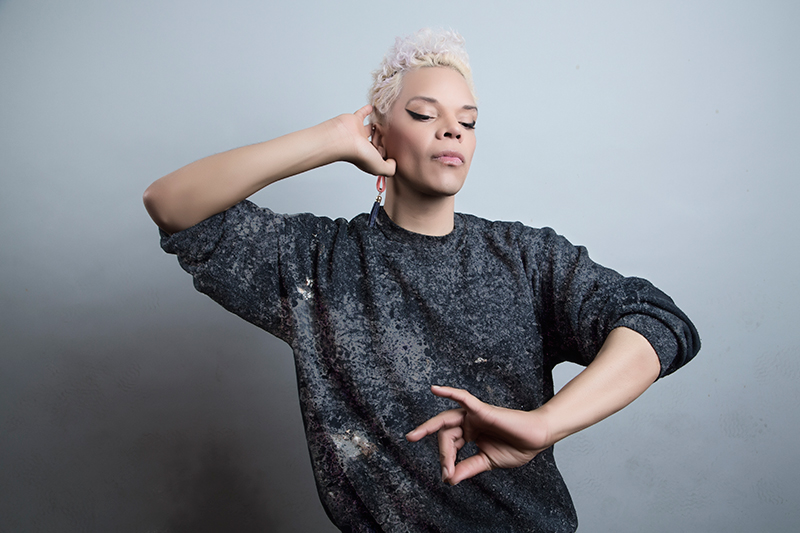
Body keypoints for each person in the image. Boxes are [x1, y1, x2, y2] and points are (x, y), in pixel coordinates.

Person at [143, 29, 700, 533]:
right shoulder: (316, 262)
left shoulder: (525, 259)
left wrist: (545, 425)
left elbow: (658, 323)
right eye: (423, 113)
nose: (453, 129)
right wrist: (330, 138)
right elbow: (171, 205)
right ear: (378, 133)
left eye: (468, 120)